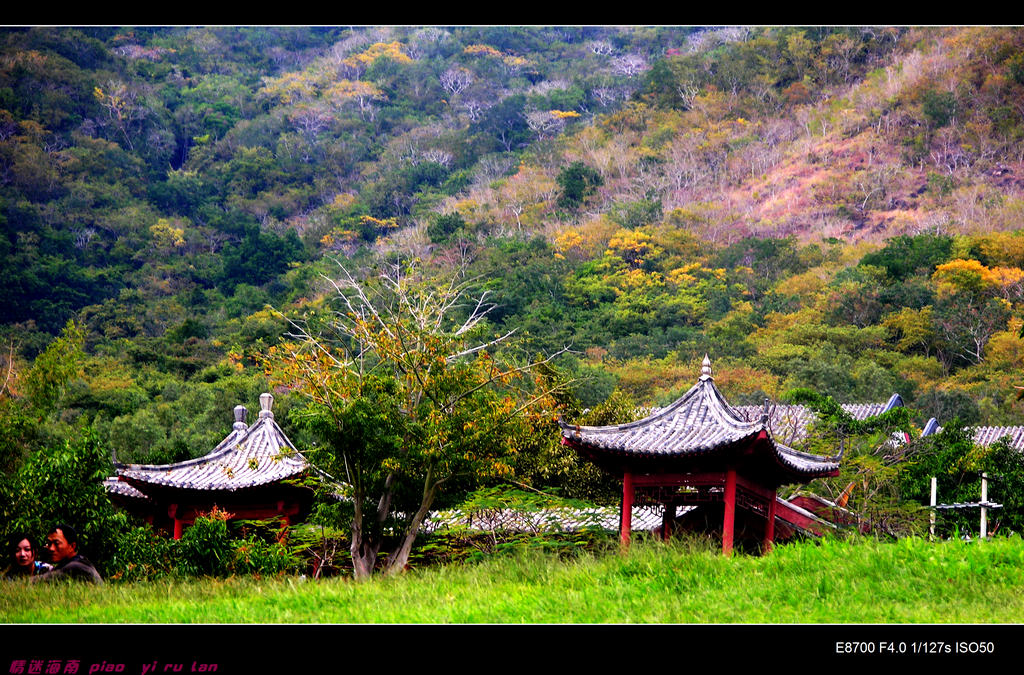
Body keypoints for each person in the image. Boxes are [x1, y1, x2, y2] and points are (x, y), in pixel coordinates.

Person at [33, 524, 103, 584]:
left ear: (72, 546)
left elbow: (38, 581)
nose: (51, 548)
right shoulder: (72, 563)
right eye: (49, 543)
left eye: (56, 543)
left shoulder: (76, 567)